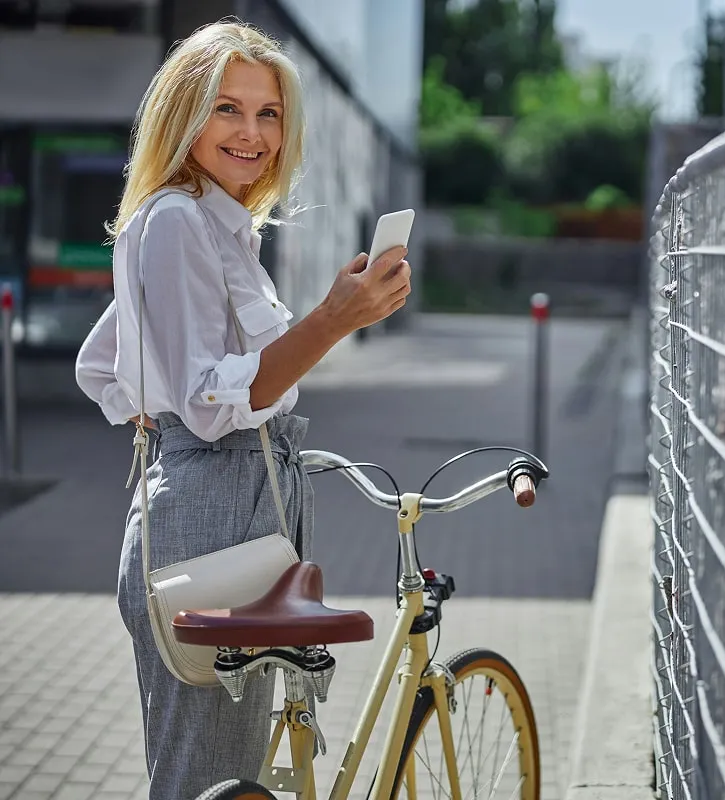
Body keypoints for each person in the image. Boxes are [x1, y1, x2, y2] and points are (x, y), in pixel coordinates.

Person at [74, 20, 411, 799]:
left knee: (230, 776)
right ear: (183, 113)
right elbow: (211, 402)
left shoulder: (218, 226)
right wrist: (333, 320)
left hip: (232, 514)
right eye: (227, 109)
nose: (252, 133)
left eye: (268, 114)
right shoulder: (177, 222)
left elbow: (103, 362)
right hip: (207, 522)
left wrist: (154, 416)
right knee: (207, 782)